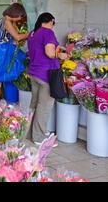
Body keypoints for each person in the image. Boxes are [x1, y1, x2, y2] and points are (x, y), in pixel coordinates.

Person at [27, 12, 69, 145]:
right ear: (51, 21)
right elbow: (50, 53)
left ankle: (29, 132)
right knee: (44, 107)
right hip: (46, 75)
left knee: (34, 104)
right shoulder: (48, 32)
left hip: (34, 73)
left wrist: (58, 48)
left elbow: (40, 49)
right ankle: (38, 138)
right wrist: (60, 55)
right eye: (53, 23)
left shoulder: (33, 33)